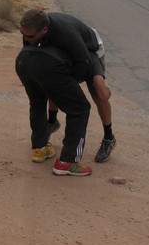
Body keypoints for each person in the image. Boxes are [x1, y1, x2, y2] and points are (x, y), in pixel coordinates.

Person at [19, 8, 116, 163]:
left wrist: (69, 85)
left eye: (29, 36)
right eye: (22, 34)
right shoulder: (33, 32)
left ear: (44, 30)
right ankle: (52, 121)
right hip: (67, 52)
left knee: (100, 95)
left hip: (90, 51)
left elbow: (83, 61)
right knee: (52, 80)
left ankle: (108, 137)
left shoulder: (66, 34)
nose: (25, 39)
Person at [15, 42, 93, 176]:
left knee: (37, 102)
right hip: (50, 65)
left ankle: (40, 148)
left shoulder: (52, 31)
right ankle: (68, 161)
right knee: (81, 108)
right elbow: (83, 63)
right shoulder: (86, 43)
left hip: (23, 59)